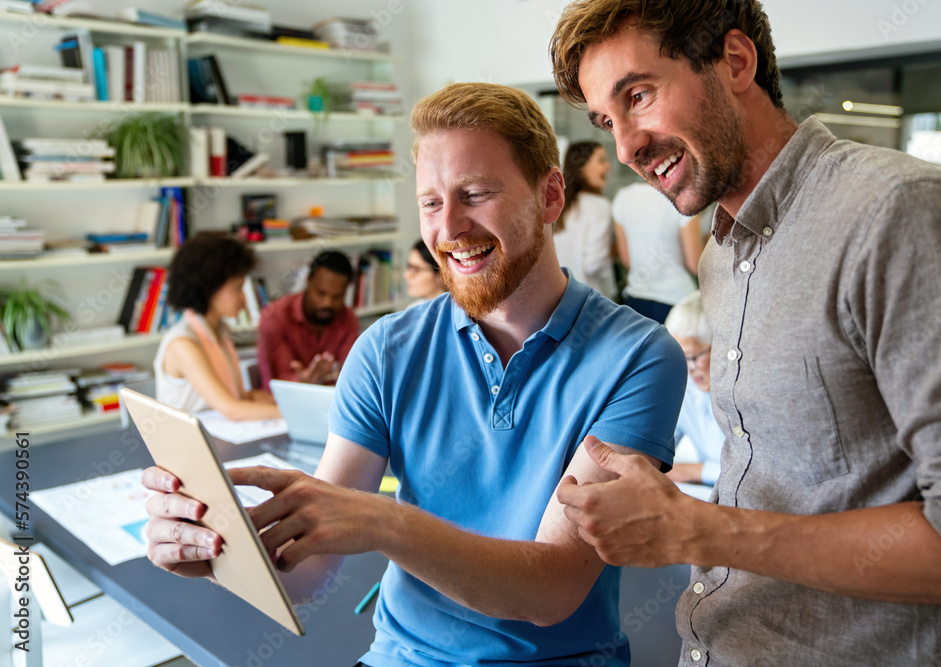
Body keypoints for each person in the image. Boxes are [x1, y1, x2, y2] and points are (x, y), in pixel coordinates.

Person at [141, 82, 686, 666]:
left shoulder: (639, 356)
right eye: (430, 202)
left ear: (549, 195)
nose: (448, 229)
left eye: (475, 194)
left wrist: (386, 521)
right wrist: (219, 550)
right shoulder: (384, 350)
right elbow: (312, 568)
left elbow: (550, 588)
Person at [550, 1, 941, 665]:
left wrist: (696, 529)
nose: (626, 147)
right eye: (606, 122)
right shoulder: (721, 253)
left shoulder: (899, 214)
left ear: (736, 62)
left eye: (638, 95)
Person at [154, 232, 280, 420]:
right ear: (209, 288)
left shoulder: (220, 331)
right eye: (237, 288)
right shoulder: (183, 344)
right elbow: (232, 409)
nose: (244, 299)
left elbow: (238, 397)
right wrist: (295, 415)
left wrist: (285, 401)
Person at [256, 249, 359, 389]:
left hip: (331, 404)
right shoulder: (274, 317)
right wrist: (303, 381)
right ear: (308, 281)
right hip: (283, 405)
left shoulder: (348, 319)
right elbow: (277, 382)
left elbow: (349, 376)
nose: (327, 303)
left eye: (337, 297)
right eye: (321, 293)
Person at [612, 181, 702, 323]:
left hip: (636, 300)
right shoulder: (683, 196)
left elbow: (626, 260)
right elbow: (696, 264)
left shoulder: (622, 197)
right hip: (677, 302)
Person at [662, 291, 723, 493]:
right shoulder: (685, 386)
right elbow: (659, 443)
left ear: (722, 347)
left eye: (693, 357)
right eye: (680, 358)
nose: (688, 369)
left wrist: (697, 471)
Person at [552, 141, 617, 298]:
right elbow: (594, 264)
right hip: (590, 300)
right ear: (581, 169)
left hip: (557, 298)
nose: (608, 167)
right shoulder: (599, 206)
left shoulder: (556, 205)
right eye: (601, 161)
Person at [403, 239, 447, 307]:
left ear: (442, 274)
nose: (406, 275)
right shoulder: (413, 308)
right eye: (409, 267)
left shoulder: (459, 314)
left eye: (415, 269)